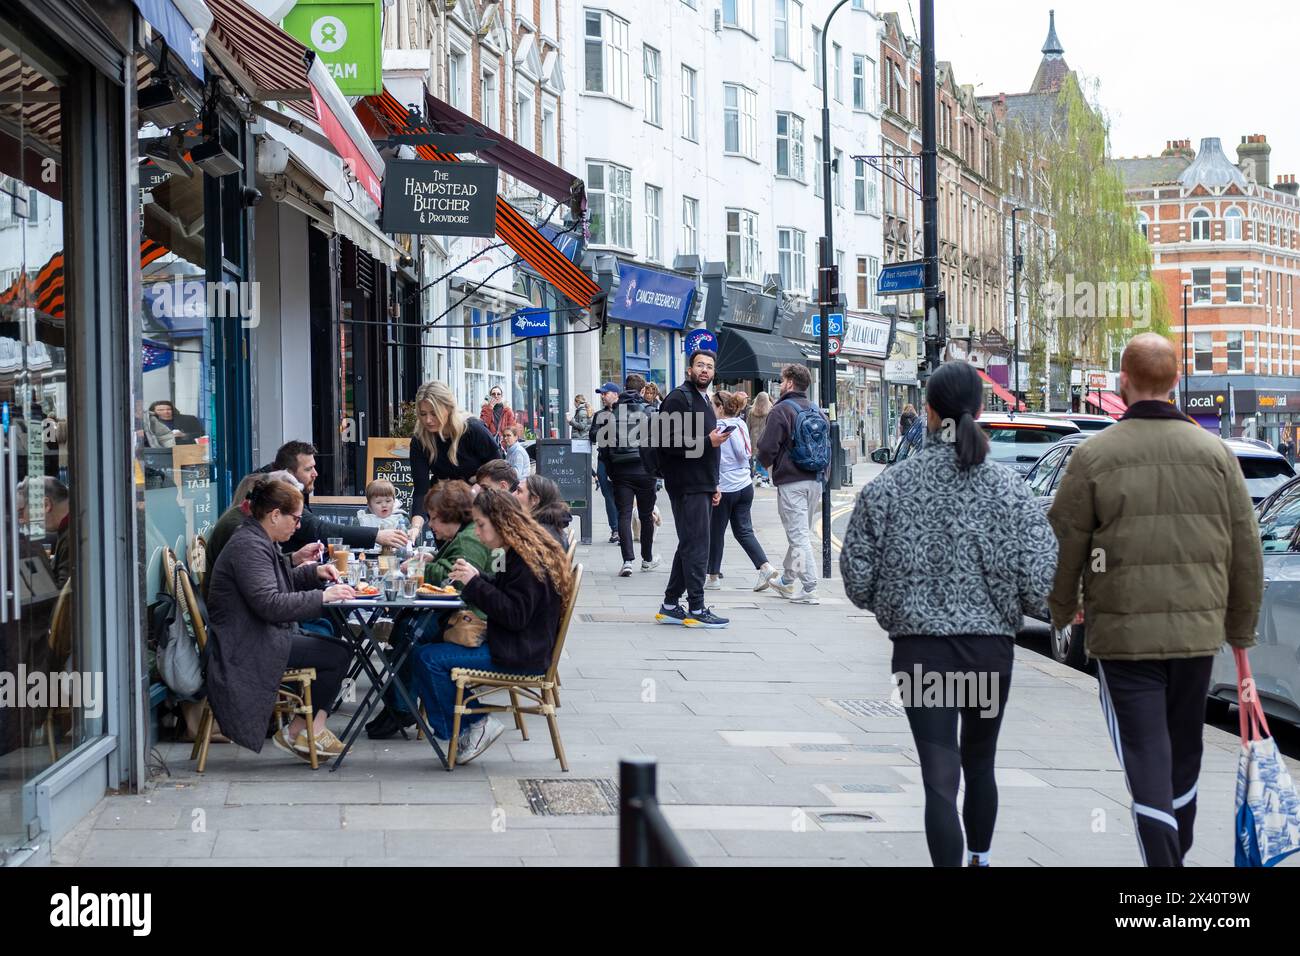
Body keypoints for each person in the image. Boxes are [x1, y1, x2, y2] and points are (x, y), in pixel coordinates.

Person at [1047, 333, 1263, 868]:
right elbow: (1247, 551)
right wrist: (1239, 638)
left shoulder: (1094, 455)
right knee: (1184, 758)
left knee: (1146, 756)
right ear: (1173, 383)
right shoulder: (1216, 455)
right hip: (1196, 638)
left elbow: (1065, 542)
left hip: (1124, 641)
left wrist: (1061, 609)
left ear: (1123, 382)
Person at [840, 361, 1058, 867]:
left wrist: (895, 608)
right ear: (980, 410)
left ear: (931, 411)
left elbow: (857, 577)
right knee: (981, 764)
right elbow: (1041, 586)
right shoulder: (1010, 491)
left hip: (921, 653)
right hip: (988, 654)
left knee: (940, 778)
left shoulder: (890, 487)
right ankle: (980, 858)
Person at [409, 488, 572, 763]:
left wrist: (474, 584)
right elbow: (506, 592)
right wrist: (477, 577)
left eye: (481, 525)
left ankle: (475, 725)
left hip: (521, 653)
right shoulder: (523, 549)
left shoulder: (527, 560)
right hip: (522, 644)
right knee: (427, 649)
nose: (477, 532)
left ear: (501, 522)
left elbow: (514, 615)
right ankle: (467, 727)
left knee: (426, 658)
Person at [205, 477, 357, 761]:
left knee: (336, 648)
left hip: (252, 635)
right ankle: (305, 730)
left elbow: (270, 581)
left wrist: (314, 573)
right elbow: (271, 604)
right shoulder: (249, 546)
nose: (298, 526)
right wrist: (323, 597)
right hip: (246, 645)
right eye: (296, 519)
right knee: (337, 654)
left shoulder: (255, 537)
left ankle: (303, 729)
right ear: (275, 515)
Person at [365, 480, 495, 740]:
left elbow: (456, 580)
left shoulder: (469, 539)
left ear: (452, 517)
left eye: (435, 519)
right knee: (406, 628)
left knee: (411, 635)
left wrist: (422, 567)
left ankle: (403, 708)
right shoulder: (465, 533)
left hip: (469, 621)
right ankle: (400, 705)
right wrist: (434, 559)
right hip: (462, 615)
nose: (431, 525)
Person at [654, 350, 729, 628]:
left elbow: (710, 447)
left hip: (702, 483)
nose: (705, 370)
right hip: (686, 484)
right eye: (700, 365)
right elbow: (666, 441)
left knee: (690, 543)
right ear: (689, 370)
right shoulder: (678, 398)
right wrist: (707, 441)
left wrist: (714, 483)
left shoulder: (704, 400)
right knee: (698, 546)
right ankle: (696, 609)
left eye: (709, 366)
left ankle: (671, 604)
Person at [755, 364, 829, 605]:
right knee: (800, 535)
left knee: (799, 537)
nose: (779, 384)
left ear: (789, 383)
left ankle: (810, 587)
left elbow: (766, 448)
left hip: (791, 482)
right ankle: (787, 581)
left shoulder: (781, 410)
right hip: (815, 480)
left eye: (781, 380)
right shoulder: (818, 411)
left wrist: (765, 467)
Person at [263, 441, 408, 556]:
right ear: (288, 473)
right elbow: (317, 529)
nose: (315, 473)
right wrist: (376, 535)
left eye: (314, 467)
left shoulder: (288, 487)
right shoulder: (278, 495)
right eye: (308, 469)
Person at [408, 381, 503, 542]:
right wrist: (415, 528)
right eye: (423, 414)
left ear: (448, 409)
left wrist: (476, 487)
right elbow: (421, 490)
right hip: (445, 514)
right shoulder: (420, 440)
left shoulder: (472, 429)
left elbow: (500, 468)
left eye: (434, 413)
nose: (428, 420)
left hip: (481, 509)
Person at [203, 470, 321, 598]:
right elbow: (267, 598)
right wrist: (320, 597)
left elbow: (262, 570)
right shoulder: (243, 533)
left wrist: (296, 559)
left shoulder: (250, 526)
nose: (298, 526)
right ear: (274, 511)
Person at [706, 391, 778, 592]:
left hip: (725, 487)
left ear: (720, 407)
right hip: (745, 485)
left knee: (716, 532)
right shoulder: (741, 424)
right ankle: (766, 567)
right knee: (744, 531)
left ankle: (713, 578)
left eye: (712, 405)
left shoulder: (718, 428)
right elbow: (746, 453)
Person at [593, 373, 659, 576]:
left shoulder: (611, 415)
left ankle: (627, 561)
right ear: (641, 391)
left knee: (624, 514)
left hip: (621, 471)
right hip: (645, 471)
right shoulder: (650, 411)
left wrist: (611, 471)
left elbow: (604, 448)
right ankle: (647, 559)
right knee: (646, 516)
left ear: (623, 389)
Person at [593, 382, 622, 544]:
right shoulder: (599, 415)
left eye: (605, 393)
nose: (603, 396)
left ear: (616, 394)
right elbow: (592, 435)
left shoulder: (625, 413)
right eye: (601, 394)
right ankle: (615, 529)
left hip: (621, 460)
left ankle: (625, 527)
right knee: (608, 496)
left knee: (622, 495)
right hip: (604, 460)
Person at [514, 474, 573, 548]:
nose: (513, 494)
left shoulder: (537, 536)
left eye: (519, 491)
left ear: (534, 500)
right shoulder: (550, 525)